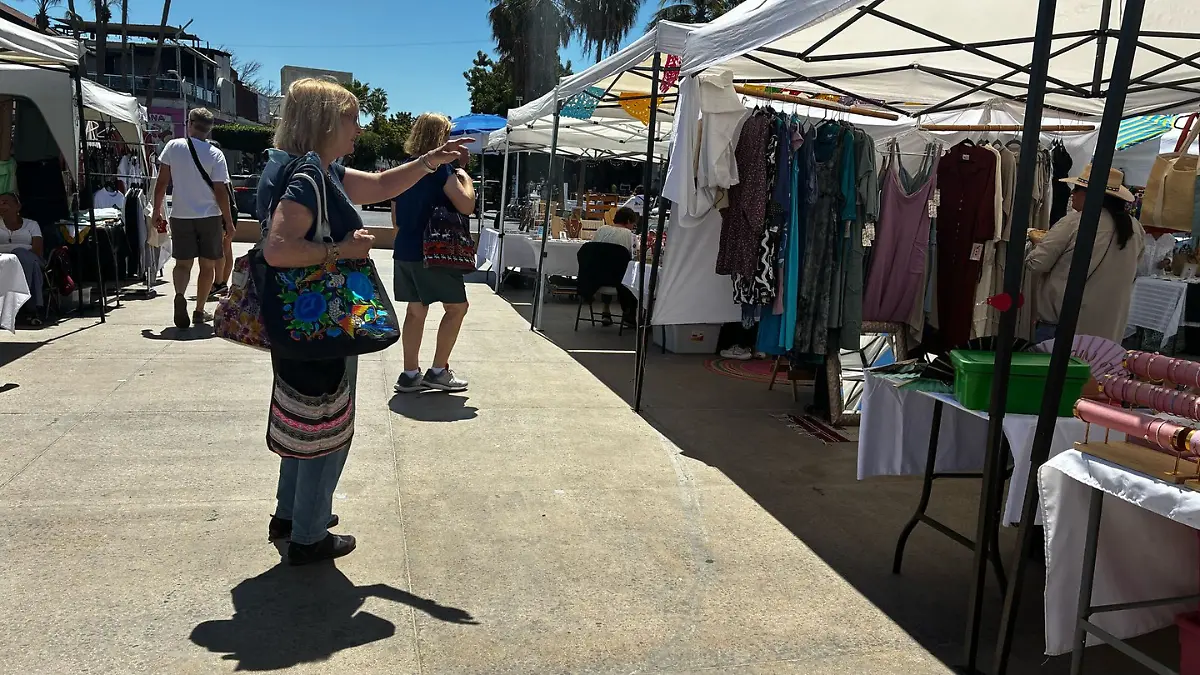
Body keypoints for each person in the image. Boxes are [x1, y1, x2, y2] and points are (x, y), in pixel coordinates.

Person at [260, 78, 468, 565]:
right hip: (322, 323)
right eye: (353, 118)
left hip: (295, 321)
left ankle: (290, 514)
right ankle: (309, 535)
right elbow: (278, 247)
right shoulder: (309, 177)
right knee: (327, 426)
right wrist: (343, 251)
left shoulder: (300, 167)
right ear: (326, 121)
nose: (360, 128)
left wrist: (428, 162)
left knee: (300, 419)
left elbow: (378, 185)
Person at [390, 112, 476, 394]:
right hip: (435, 251)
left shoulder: (404, 167)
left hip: (405, 248)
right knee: (457, 308)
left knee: (415, 310)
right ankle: (439, 370)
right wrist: (464, 172)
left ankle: (410, 373)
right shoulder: (440, 170)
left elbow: (395, 219)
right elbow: (465, 205)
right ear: (440, 139)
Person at [1026, 164, 1145, 343]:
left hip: (1065, 323)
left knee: (1055, 370)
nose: (1072, 194)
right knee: (1096, 370)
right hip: (1109, 327)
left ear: (1089, 194)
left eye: (1077, 190)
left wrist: (1035, 243)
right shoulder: (1135, 227)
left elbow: (1037, 263)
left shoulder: (1075, 222)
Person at [151, 107, 235, 329]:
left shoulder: (173, 147)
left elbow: (161, 183)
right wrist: (229, 220)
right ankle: (199, 311)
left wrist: (156, 211)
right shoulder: (216, 154)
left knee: (183, 264)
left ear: (190, 123)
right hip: (209, 216)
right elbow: (220, 190)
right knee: (207, 266)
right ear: (209, 130)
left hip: (181, 215)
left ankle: (180, 294)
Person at [590, 206, 640, 326]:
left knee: (607, 264)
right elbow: (635, 257)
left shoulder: (600, 230)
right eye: (633, 224)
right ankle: (629, 315)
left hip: (595, 278)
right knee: (633, 277)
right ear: (628, 221)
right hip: (619, 281)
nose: (633, 227)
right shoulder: (630, 236)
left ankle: (606, 310)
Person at [0, 192, 44, 326]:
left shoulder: (31, 225)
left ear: (17, 207)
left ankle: (23, 305)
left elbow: (37, 249)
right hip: (4, 261)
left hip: (30, 259)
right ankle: (28, 308)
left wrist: (16, 251)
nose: (2, 205)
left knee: (21, 255)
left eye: (5, 202)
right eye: (0, 203)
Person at [206, 140, 237, 298]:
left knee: (221, 250)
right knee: (227, 248)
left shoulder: (216, 170)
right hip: (229, 211)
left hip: (222, 213)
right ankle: (222, 282)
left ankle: (220, 283)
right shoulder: (223, 170)